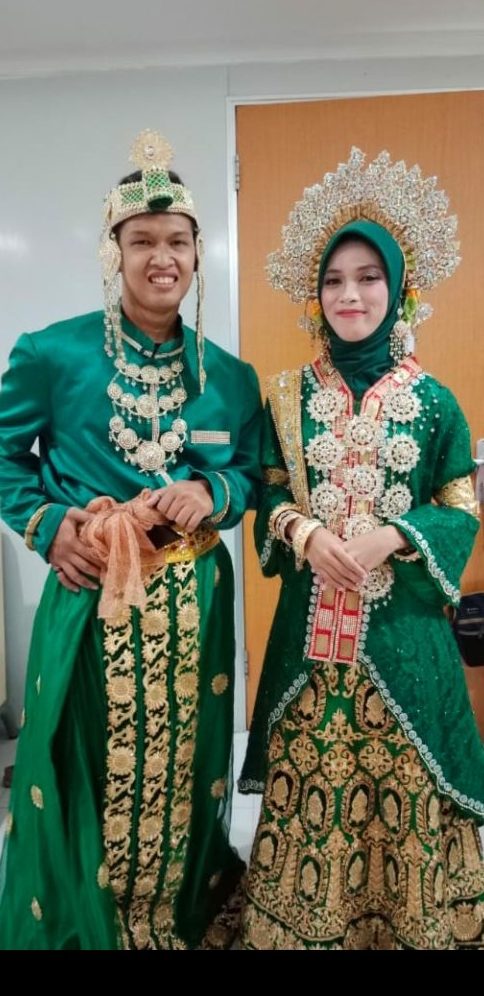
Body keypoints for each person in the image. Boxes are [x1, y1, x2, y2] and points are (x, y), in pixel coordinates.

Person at [0, 130, 262, 950]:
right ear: (113, 252)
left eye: (177, 240)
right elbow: (4, 453)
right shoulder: (52, 354)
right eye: (142, 240)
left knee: (186, 766)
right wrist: (49, 527)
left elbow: (250, 473)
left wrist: (211, 492)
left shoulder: (229, 376)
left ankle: (176, 910)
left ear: (198, 254)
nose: (162, 258)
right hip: (91, 596)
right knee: (82, 760)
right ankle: (89, 923)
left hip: (193, 604)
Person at [239, 148, 484, 950]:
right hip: (310, 644)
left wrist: (395, 535)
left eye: (369, 277)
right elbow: (268, 491)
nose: (350, 295)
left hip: (406, 638)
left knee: (406, 782)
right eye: (335, 280)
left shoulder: (435, 401)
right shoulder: (286, 396)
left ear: (399, 288)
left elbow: (462, 506)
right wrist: (303, 532)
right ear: (316, 296)